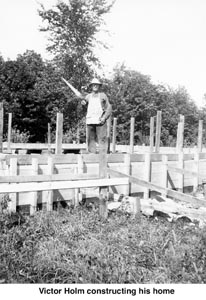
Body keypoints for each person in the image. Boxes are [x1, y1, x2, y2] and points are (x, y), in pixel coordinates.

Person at [81, 78, 112, 153]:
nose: (95, 86)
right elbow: (84, 109)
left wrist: (104, 118)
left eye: (97, 85)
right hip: (90, 121)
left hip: (100, 122)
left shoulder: (102, 96)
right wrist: (83, 105)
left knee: (102, 139)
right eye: (93, 85)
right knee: (91, 140)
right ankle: (92, 158)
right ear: (91, 86)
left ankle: (103, 158)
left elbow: (109, 107)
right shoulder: (88, 97)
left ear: (99, 86)